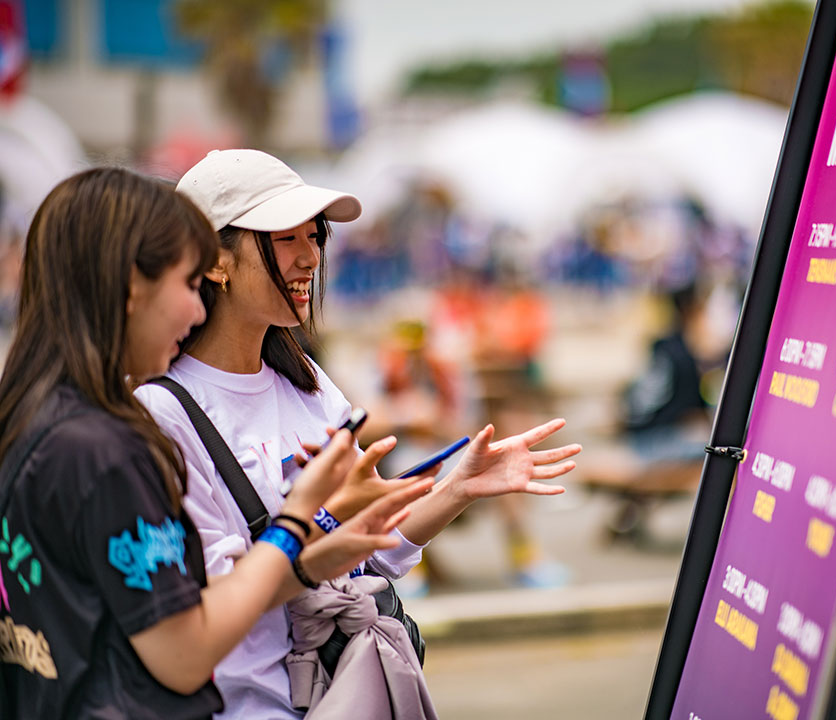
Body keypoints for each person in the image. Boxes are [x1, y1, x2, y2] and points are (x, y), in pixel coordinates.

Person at [134, 149, 581, 719]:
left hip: (338, 695)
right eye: (285, 238)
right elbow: (215, 597)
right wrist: (318, 520)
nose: (310, 257)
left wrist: (456, 488)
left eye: (315, 235)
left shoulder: (310, 385)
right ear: (216, 260)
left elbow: (366, 559)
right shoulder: (162, 410)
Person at [0, 168, 428, 719]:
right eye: (185, 282)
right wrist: (300, 522)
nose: (196, 308)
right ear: (133, 285)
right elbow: (185, 649)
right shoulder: (108, 450)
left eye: (315, 235)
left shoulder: (31, 421)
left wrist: (313, 546)